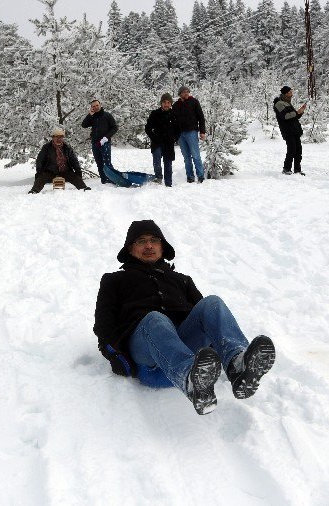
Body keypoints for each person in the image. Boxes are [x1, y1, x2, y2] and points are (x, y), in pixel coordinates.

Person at [93, 220, 276, 415]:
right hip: (148, 358)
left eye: (154, 240)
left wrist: (215, 352)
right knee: (156, 319)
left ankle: (238, 366)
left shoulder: (182, 280)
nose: (149, 246)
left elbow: (207, 319)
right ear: (130, 249)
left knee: (212, 303)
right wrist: (115, 357)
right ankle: (191, 381)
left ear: (162, 246)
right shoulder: (114, 280)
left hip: (187, 349)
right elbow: (104, 324)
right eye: (141, 241)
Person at [28, 127, 90, 194]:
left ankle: (84, 188)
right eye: (56, 137)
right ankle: (34, 191)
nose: (59, 139)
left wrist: (78, 171)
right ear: (52, 138)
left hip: (65, 171)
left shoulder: (67, 148)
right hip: (50, 172)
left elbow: (74, 161)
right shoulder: (46, 148)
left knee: (75, 177)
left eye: (60, 137)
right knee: (41, 178)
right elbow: (40, 160)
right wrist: (39, 172)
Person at [145, 93, 180, 187]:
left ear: (171, 104)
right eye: (164, 102)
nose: (166, 104)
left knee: (168, 164)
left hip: (169, 143)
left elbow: (178, 129)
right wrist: (153, 137)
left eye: (168, 102)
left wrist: (174, 138)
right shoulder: (154, 113)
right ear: (161, 103)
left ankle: (168, 184)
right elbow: (148, 128)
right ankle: (158, 178)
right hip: (157, 142)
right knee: (156, 160)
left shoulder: (174, 115)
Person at [81, 99, 119, 185]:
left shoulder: (107, 116)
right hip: (95, 143)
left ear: (100, 105)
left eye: (97, 105)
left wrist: (106, 138)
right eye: (93, 106)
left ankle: (113, 179)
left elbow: (115, 128)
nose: (95, 107)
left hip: (105, 142)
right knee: (99, 163)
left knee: (107, 162)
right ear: (91, 108)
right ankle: (104, 180)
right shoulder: (93, 117)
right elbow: (84, 125)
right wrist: (90, 115)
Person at [172, 86, 206, 183]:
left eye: (187, 92)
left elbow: (201, 117)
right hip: (180, 135)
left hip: (192, 132)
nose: (186, 93)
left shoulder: (194, 102)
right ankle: (190, 176)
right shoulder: (176, 105)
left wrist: (202, 132)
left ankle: (200, 176)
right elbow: (173, 121)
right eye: (184, 92)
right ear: (180, 94)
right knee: (186, 157)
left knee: (195, 155)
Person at [273, 85, 306, 175]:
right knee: (292, 150)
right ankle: (286, 169)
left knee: (298, 150)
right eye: (290, 92)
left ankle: (297, 170)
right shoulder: (279, 103)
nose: (292, 94)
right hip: (288, 131)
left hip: (294, 130)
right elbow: (285, 116)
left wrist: (300, 112)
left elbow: (293, 117)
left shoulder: (287, 103)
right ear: (286, 93)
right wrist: (296, 112)